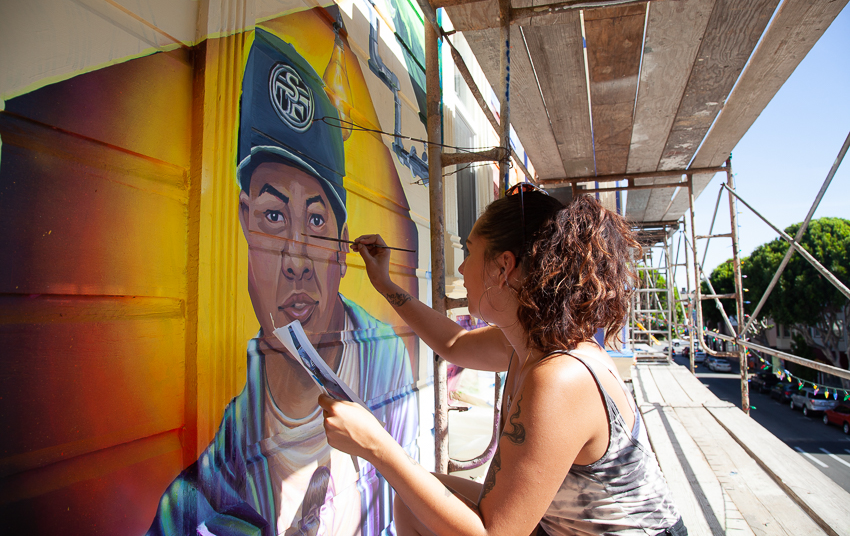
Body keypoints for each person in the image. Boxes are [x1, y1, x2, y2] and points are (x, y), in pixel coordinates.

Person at [147, 28, 417, 536]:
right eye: (273, 216)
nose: (295, 259)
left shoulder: (386, 366)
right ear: (244, 222)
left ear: (342, 246)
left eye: (316, 221)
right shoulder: (203, 490)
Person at [319, 189, 686, 536]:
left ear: (502, 267)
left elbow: (492, 532)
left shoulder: (559, 378)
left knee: (420, 498)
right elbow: (454, 343)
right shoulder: (531, 340)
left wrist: (376, 446)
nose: (461, 267)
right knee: (415, 503)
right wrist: (385, 284)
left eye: (469, 252)